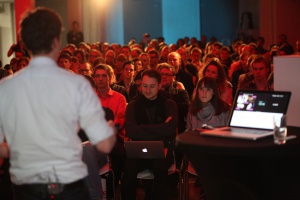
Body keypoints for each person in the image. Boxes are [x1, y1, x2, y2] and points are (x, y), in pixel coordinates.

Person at [0, 7, 116, 200]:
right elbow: (104, 145)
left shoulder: (4, 88)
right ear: (56, 41)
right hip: (69, 184)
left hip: (27, 186)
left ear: (24, 43)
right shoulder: (77, 84)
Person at [121, 69, 178, 200]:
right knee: (128, 170)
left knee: (160, 169)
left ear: (159, 86)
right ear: (140, 85)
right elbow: (131, 131)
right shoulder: (133, 105)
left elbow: (169, 130)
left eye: (152, 86)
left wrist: (142, 128)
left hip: (164, 149)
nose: (147, 90)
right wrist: (160, 128)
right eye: (145, 86)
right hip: (138, 150)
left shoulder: (169, 104)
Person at [94, 64, 127, 199]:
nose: (100, 79)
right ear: (94, 79)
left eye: (104, 76)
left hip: (113, 137)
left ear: (110, 78)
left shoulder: (119, 98)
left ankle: (111, 189)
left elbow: (120, 120)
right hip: (93, 138)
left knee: (120, 153)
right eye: (97, 76)